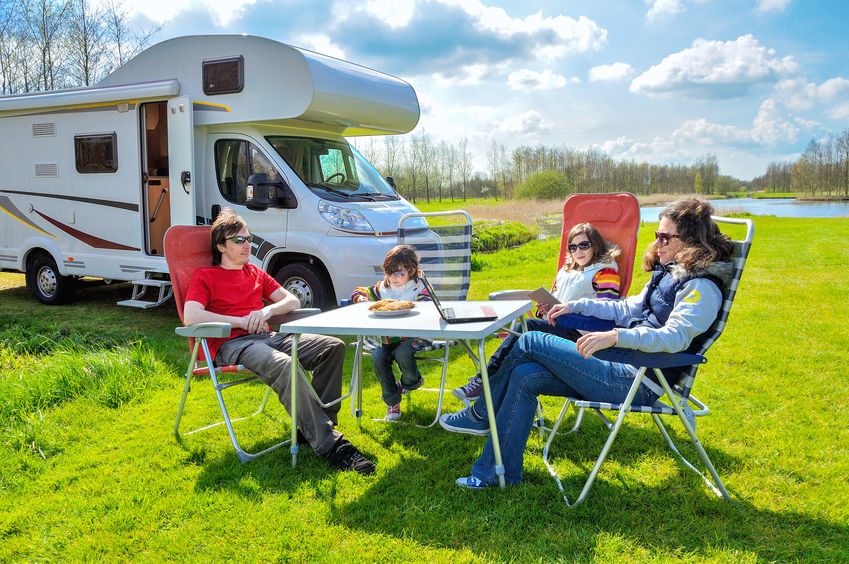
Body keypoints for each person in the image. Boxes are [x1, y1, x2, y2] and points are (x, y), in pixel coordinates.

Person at [440, 196, 734, 488]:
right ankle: (494, 474)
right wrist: (576, 306)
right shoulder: (667, 273)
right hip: (618, 362)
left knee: (530, 340)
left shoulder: (702, 287)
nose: (658, 243)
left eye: (665, 237)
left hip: (638, 381)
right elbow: (626, 308)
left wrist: (616, 335)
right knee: (522, 375)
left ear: (692, 241)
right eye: (657, 235)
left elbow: (675, 337)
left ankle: (480, 413)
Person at [183, 207, 375, 475]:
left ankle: (318, 427)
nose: (247, 244)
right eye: (239, 240)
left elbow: (292, 300)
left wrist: (266, 311)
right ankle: (331, 445)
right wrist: (241, 321)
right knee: (285, 365)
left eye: (249, 238)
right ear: (220, 246)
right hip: (233, 344)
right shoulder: (206, 276)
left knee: (332, 347)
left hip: (268, 335)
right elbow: (191, 315)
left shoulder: (255, 273)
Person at [450, 222, 621, 405]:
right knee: (518, 353)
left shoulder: (605, 272)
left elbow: (607, 310)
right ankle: (489, 398)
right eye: (573, 247)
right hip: (557, 326)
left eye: (584, 245)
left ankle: (484, 378)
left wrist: (568, 310)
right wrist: (544, 310)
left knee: (526, 328)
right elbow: (557, 299)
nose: (578, 251)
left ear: (595, 245)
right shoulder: (566, 272)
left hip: (580, 335)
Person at [351, 244, 431, 421]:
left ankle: (410, 382)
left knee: (402, 353)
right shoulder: (382, 288)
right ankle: (392, 402)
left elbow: (429, 306)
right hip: (388, 337)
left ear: (411, 271)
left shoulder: (419, 287)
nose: (393, 277)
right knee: (378, 357)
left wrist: (422, 304)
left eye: (399, 273)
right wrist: (360, 298)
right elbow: (361, 291)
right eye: (389, 272)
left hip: (415, 335)